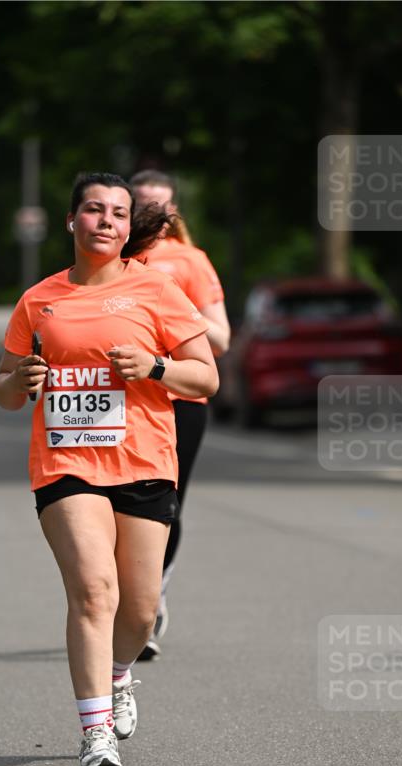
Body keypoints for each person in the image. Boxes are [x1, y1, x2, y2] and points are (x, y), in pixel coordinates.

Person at [0, 172, 218, 766]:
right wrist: (20, 382)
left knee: (139, 611)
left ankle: (120, 676)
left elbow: (206, 378)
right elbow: (4, 390)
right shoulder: (39, 299)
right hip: (65, 462)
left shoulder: (158, 290)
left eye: (119, 213)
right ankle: (96, 735)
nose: (107, 222)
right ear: (73, 221)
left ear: (127, 226)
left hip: (144, 462)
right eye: (94, 210)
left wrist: (155, 366)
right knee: (94, 591)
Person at [130, 170, 230, 659]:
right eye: (143, 206)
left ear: (175, 212)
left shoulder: (190, 261)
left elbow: (223, 338)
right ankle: (121, 604)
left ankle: (148, 604)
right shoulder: (110, 259)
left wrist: (171, 309)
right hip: (122, 401)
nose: (155, 216)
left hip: (181, 402)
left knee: (163, 506)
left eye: (162, 207)